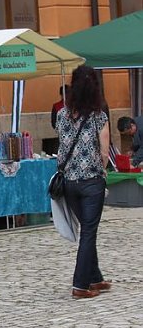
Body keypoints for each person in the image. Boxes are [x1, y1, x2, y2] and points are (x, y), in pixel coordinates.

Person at [56, 65, 111, 299]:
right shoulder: (99, 115)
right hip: (91, 181)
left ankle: (95, 277)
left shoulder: (62, 114)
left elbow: (63, 143)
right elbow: (104, 150)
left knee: (87, 228)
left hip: (69, 181)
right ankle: (80, 284)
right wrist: (103, 170)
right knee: (89, 231)